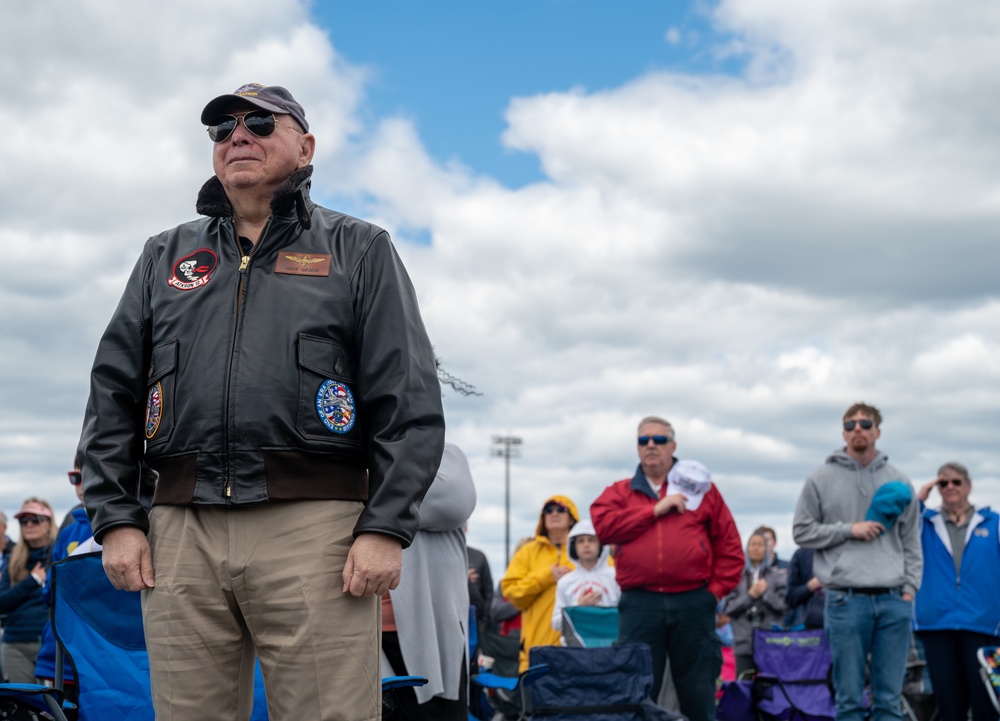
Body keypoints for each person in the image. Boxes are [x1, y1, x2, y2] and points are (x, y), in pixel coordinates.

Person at [77, 83, 445, 721]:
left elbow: (406, 396)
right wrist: (116, 519)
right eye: (222, 128)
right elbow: (114, 392)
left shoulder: (359, 249)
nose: (237, 135)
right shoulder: (164, 255)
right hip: (179, 533)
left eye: (258, 123)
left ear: (304, 146)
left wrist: (385, 527)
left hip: (316, 529)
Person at [591, 417, 743, 721]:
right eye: (643, 440)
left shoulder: (703, 490)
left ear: (673, 446)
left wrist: (711, 595)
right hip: (640, 604)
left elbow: (730, 548)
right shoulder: (619, 493)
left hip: (693, 603)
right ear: (636, 448)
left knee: (698, 692)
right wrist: (654, 510)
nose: (650, 446)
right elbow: (603, 527)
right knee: (635, 688)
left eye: (659, 440)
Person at [792, 402, 921, 721]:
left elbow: (911, 542)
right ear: (843, 433)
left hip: (893, 600)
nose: (857, 429)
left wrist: (910, 589)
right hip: (844, 600)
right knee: (848, 700)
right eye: (850, 425)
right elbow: (801, 531)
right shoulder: (819, 478)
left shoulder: (899, 481)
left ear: (878, 431)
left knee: (889, 700)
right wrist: (849, 530)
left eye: (865, 423)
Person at [381, 443, 475, 721]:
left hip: (431, 633)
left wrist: (364, 492)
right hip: (359, 629)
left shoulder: (446, 453)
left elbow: (451, 502)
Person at [914, 462, 1000, 721]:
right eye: (943, 483)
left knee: (985, 699)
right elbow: (899, 530)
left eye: (956, 482)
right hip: (937, 623)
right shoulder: (924, 524)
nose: (950, 487)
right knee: (948, 702)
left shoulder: (993, 523)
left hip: (982, 624)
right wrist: (919, 500)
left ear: (968, 486)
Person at [500, 495, 579, 672]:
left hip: (579, 651)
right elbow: (513, 594)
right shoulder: (527, 552)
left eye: (561, 509)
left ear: (572, 517)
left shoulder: (587, 550)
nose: (554, 514)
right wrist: (545, 577)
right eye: (548, 510)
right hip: (537, 651)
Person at [35, 462, 93, 698]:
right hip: (61, 651)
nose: (81, 484)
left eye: (90, 474)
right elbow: (50, 592)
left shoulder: (130, 525)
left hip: (107, 654)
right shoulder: (69, 530)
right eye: (75, 478)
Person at [0, 499, 57, 683]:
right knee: (22, 709)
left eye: (36, 519)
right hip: (15, 644)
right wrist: (32, 580)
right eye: (24, 521)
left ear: (49, 523)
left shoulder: (60, 555)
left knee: (54, 708)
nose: (29, 524)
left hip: (52, 644)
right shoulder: (12, 560)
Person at [722, 530, 787, 677]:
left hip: (770, 641)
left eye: (760, 544)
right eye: (752, 544)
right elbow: (728, 608)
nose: (756, 548)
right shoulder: (736, 577)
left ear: (767, 548)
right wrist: (749, 596)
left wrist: (766, 594)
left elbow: (784, 606)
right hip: (744, 642)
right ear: (747, 548)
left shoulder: (777, 577)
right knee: (744, 684)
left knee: (770, 686)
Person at [550, 519, 621, 638]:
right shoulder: (565, 581)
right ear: (573, 546)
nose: (586, 545)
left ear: (601, 545)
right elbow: (555, 623)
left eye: (591, 540)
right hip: (577, 648)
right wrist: (578, 607)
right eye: (581, 541)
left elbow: (625, 614)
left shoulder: (615, 577)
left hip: (610, 644)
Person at [785, 546, 824, 629]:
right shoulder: (802, 554)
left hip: (845, 622)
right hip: (812, 627)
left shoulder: (846, 550)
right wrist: (809, 587)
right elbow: (790, 598)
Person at [467, 538, 494, 629]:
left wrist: (484, 621)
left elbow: (488, 591)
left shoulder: (478, 556)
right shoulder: (439, 554)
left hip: (474, 621)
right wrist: (462, 577)